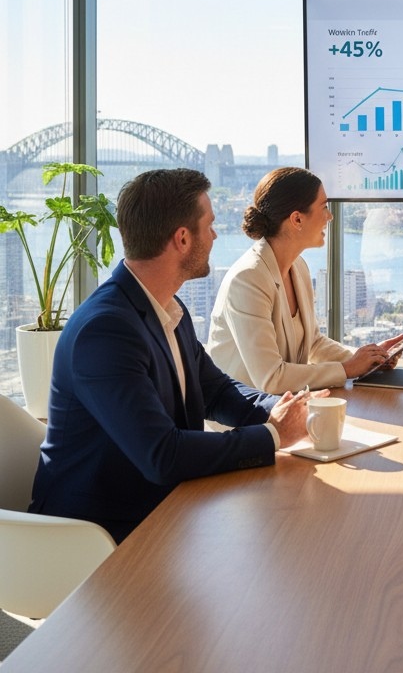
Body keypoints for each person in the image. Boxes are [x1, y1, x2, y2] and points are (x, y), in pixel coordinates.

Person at [30, 168, 316, 543]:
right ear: (182, 238)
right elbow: (162, 455)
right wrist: (271, 435)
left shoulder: (167, 307)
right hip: (98, 537)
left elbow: (216, 391)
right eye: (210, 225)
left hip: (165, 512)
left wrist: (288, 408)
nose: (215, 236)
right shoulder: (105, 332)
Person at [207, 167, 403, 392]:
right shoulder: (247, 279)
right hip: (244, 419)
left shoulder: (298, 267)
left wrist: (368, 360)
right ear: (297, 219)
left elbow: (313, 343)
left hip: (284, 408)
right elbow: (272, 378)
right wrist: (349, 368)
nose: (330, 216)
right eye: (324, 207)